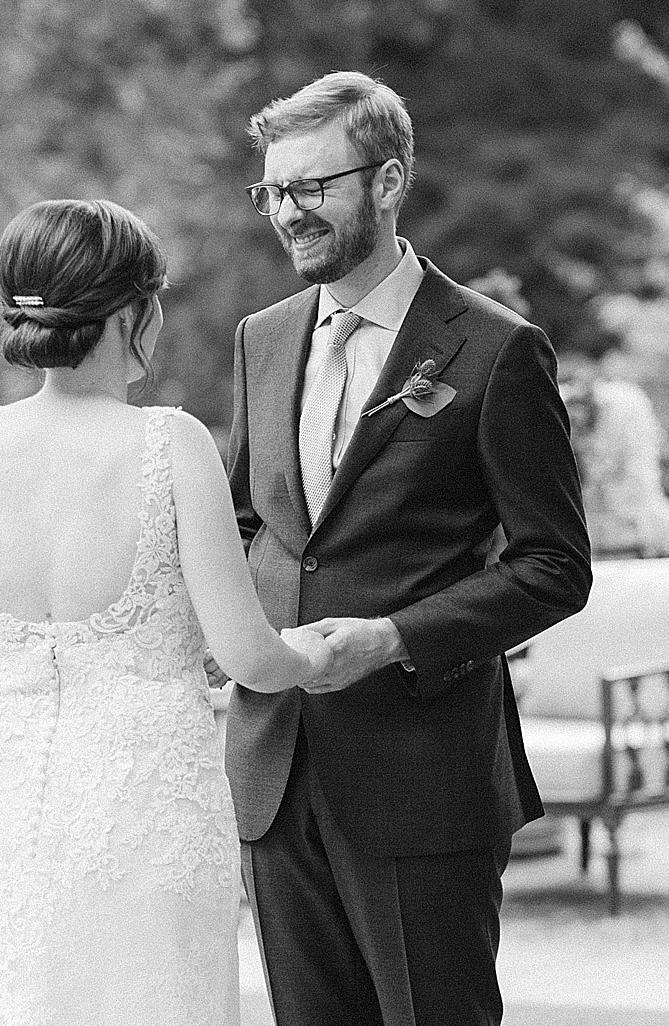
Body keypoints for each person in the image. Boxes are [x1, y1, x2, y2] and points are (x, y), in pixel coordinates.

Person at [227, 72, 593, 1026]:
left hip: (423, 774)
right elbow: (252, 526)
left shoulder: (495, 350)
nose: (288, 214)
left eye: (313, 187)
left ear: (388, 182)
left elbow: (555, 565)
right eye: (273, 191)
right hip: (275, 767)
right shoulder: (261, 341)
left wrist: (392, 637)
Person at [0, 199, 332, 1026]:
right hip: (149, 805)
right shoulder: (168, 442)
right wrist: (325, 652)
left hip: (16, 804)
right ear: (136, 313)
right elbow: (249, 657)